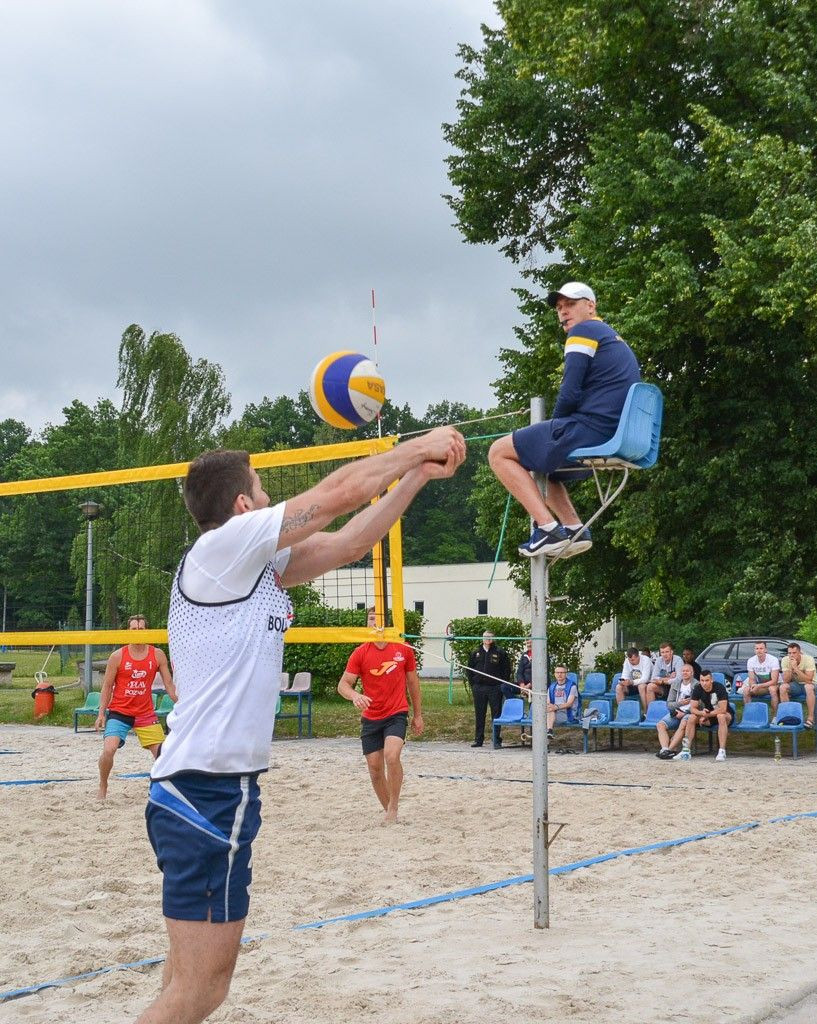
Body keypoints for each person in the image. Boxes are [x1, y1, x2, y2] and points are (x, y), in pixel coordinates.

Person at [138, 428, 465, 1024]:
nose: (268, 499)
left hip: (202, 788)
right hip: (205, 792)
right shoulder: (225, 547)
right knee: (200, 993)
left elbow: (348, 541)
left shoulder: (253, 567)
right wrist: (417, 447)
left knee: (185, 982)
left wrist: (418, 476)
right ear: (241, 506)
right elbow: (338, 493)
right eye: (261, 490)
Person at [487, 281, 641, 558]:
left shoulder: (585, 331)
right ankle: (574, 528)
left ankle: (546, 529)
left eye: (570, 304)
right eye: (559, 307)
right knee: (545, 470)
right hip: (611, 433)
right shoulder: (612, 336)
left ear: (590, 306)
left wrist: (554, 430)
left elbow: (569, 390)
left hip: (591, 429)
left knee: (498, 452)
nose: (563, 312)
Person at [337, 608, 422, 823]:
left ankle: (393, 808)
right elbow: (343, 685)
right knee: (375, 769)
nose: (374, 622)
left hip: (396, 712)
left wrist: (418, 715)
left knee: (392, 756)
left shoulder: (402, 649)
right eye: (371, 619)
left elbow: (413, 683)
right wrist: (355, 695)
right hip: (371, 716)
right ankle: (389, 812)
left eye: (378, 619)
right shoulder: (361, 652)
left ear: (387, 624)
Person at [95, 614, 176, 801]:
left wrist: (181, 702)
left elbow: (169, 684)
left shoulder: (157, 654)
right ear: (128, 631)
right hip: (119, 712)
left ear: (146, 631)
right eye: (133, 629)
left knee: (162, 755)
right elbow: (107, 686)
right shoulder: (117, 656)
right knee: (109, 750)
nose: (137, 632)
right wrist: (101, 713)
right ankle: (103, 784)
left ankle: (157, 788)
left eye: (141, 629)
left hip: (145, 713)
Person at [674, 669, 734, 761]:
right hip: (708, 714)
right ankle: (686, 750)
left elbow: (723, 709)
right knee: (691, 717)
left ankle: (722, 751)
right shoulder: (698, 688)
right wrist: (701, 713)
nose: (704, 683)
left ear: (711, 680)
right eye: (702, 680)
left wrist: (706, 715)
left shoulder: (719, 688)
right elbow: (692, 708)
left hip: (725, 715)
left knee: (721, 716)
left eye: (707, 680)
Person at [466, 630, 512, 748]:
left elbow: (506, 670)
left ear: (494, 639)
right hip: (479, 688)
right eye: (485, 637)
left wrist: (501, 684)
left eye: (490, 637)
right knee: (479, 714)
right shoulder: (475, 652)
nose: (488, 639)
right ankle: (478, 739)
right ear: (482, 638)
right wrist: (474, 685)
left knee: (496, 715)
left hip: (494, 688)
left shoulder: (500, 652)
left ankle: (496, 739)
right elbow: (469, 670)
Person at [655, 663, 695, 759]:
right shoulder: (676, 684)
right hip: (677, 711)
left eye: (687, 671)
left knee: (683, 724)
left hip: (690, 712)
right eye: (683, 671)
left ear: (692, 673)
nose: (685, 673)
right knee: (660, 725)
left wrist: (685, 712)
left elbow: (699, 704)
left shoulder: (696, 685)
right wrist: (680, 704)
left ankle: (669, 750)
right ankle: (664, 749)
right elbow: (669, 703)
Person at [779, 642, 817, 730]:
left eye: (794, 653)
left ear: (800, 652)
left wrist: (796, 668)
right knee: (783, 687)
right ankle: (789, 717)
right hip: (797, 686)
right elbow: (785, 681)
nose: (791, 655)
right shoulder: (785, 660)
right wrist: (790, 668)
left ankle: (811, 719)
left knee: (808, 687)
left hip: (813, 685)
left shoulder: (808, 659)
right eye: (789, 653)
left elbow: (809, 680)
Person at [739, 641, 780, 719]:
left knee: (772, 689)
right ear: (754, 650)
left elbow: (774, 681)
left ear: (766, 650)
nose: (759, 650)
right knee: (746, 690)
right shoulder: (751, 661)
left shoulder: (773, 660)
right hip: (760, 686)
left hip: (774, 684)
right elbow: (751, 679)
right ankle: (749, 716)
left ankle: (775, 716)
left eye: (761, 648)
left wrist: (758, 686)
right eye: (757, 648)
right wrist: (753, 686)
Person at [546, 665, 581, 738]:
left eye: (562, 672)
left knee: (544, 717)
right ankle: (549, 732)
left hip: (568, 714)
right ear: (554, 674)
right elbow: (548, 702)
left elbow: (569, 704)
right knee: (545, 713)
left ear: (566, 674)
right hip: (554, 712)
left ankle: (549, 732)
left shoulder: (572, 686)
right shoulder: (552, 686)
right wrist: (551, 707)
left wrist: (556, 707)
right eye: (557, 672)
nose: (559, 674)